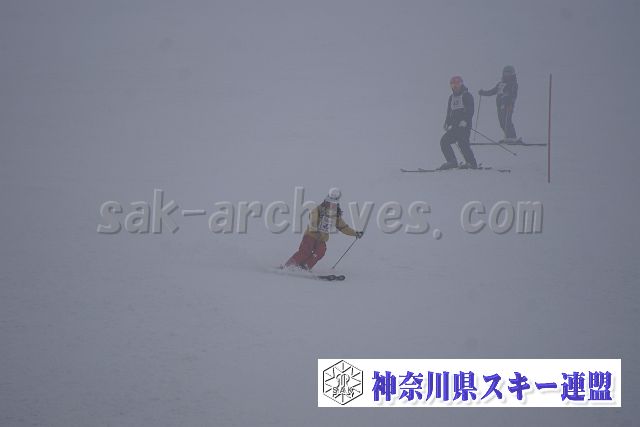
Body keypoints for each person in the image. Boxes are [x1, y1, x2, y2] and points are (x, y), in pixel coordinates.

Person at [284, 188, 363, 271]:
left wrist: (355, 233)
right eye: (329, 203)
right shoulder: (318, 210)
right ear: (325, 202)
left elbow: (343, 227)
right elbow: (312, 218)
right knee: (305, 251)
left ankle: (305, 267)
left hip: (321, 239)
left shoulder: (335, 216)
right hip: (310, 236)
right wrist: (317, 223)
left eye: (333, 204)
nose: (331, 205)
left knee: (320, 252)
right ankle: (289, 265)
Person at [438, 75, 478, 170]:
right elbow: (449, 112)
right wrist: (447, 123)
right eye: (453, 85)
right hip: (455, 127)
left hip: (464, 126)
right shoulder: (451, 97)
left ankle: (471, 163)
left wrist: (465, 121)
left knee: (462, 143)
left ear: (461, 84)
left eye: (457, 84)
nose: (455, 86)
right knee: (444, 141)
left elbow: (470, 110)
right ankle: (452, 161)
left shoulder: (466, 95)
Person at [479, 65, 519, 143]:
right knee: (502, 122)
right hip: (500, 105)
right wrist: (483, 93)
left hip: (508, 105)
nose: (507, 75)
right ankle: (508, 136)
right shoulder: (500, 84)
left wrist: (510, 102)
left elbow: (513, 95)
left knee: (507, 120)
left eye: (509, 73)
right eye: (506, 73)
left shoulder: (513, 84)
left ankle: (512, 136)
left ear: (512, 74)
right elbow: (492, 91)